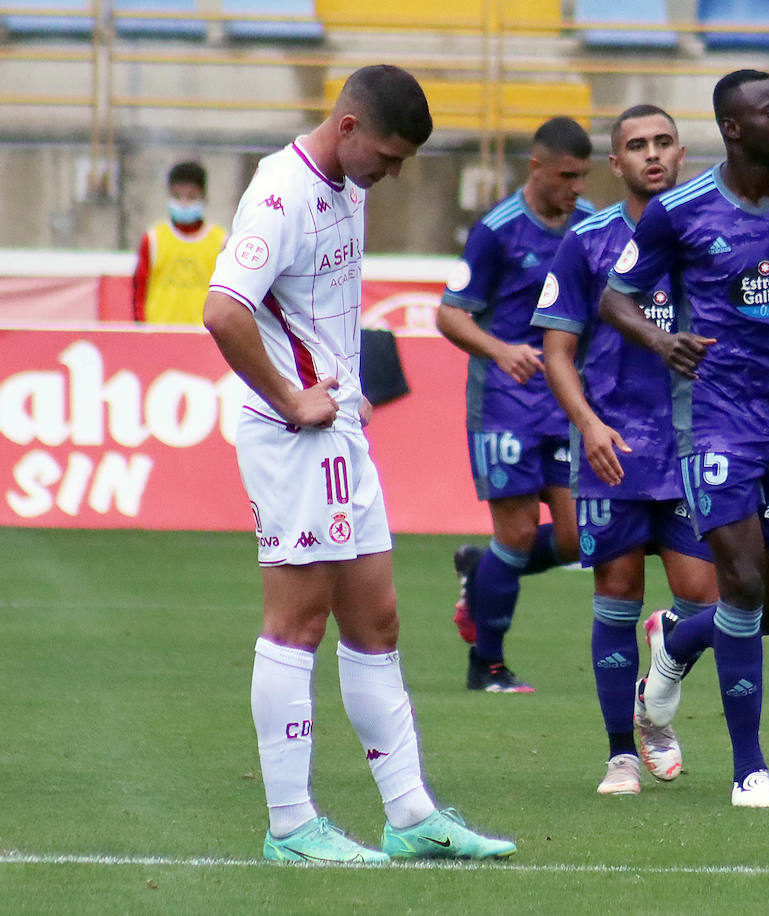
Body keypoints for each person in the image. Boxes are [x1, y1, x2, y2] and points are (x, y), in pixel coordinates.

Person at [202, 64, 516, 864]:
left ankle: (410, 815)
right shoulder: (279, 194)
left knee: (376, 621)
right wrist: (291, 396)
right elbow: (222, 309)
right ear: (346, 127)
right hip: (294, 439)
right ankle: (289, 824)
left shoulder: (349, 185)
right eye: (388, 153)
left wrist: (343, 388)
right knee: (297, 623)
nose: (392, 171)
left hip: (341, 436)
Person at [600, 70, 769, 807]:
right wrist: (662, 341)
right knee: (740, 582)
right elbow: (615, 298)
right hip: (712, 418)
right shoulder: (678, 213)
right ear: (734, 128)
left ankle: (675, 645)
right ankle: (750, 769)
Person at [531, 105, 718, 796]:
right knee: (614, 593)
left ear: (682, 152)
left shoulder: (710, 234)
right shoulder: (586, 242)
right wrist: (587, 424)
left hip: (698, 448)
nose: (652, 154)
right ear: (616, 164)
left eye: (663, 142)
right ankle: (622, 754)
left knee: (710, 604)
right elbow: (556, 349)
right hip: (615, 448)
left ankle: (658, 685)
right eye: (636, 145)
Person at [437, 117, 596, 693]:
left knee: (585, 538)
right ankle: (489, 665)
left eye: (583, 176)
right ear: (536, 167)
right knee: (520, 533)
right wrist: (501, 350)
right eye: (566, 176)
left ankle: (483, 573)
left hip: (566, 401)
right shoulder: (497, 230)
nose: (576, 187)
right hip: (505, 402)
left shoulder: (589, 224)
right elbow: (449, 313)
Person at [132, 160, 226, 323]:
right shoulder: (153, 238)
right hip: (159, 333)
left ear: (203, 197)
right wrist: (141, 327)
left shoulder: (221, 241)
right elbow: (139, 289)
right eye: (177, 196)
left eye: (191, 197)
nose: (183, 203)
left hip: (203, 334)